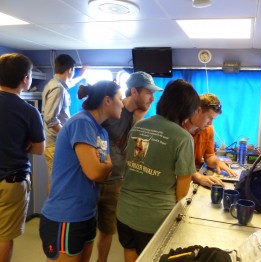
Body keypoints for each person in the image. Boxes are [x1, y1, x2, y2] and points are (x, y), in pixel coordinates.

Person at [39, 80, 123, 262]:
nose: (122, 104)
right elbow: (95, 172)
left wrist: (104, 168)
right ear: (107, 100)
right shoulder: (82, 123)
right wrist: (106, 166)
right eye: (120, 98)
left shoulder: (101, 132)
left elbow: (102, 171)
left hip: (86, 213)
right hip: (66, 216)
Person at [116, 79, 200, 262]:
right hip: (154, 220)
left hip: (125, 212)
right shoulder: (183, 138)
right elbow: (182, 193)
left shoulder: (140, 126)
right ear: (187, 110)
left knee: (131, 251)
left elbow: (136, 163)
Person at [97, 71, 163, 262]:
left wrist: (139, 119)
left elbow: (136, 152)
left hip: (116, 180)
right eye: (148, 93)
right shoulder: (111, 110)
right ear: (134, 92)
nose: (152, 98)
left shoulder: (139, 116)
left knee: (107, 230)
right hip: (93, 178)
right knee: (84, 230)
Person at [0, 53, 45, 262]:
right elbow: (38, 149)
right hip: (11, 181)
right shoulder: (28, 111)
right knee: (4, 236)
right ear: (25, 79)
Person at [184, 93, 237, 188]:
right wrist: (199, 177)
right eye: (209, 118)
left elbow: (209, 156)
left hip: (194, 173)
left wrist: (217, 162)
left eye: (213, 119)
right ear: (198, 110)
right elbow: (178, 167)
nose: (210, 123)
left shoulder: (208, 129)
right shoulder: (180, 130)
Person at [41, 54, 76, 193]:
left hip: (54, 143)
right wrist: (66, 136)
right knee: (60, 184)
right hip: (56, 144)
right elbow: (50, 118)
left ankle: (51, 213)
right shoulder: (58, 89)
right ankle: (53, 214)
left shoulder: (54, 84)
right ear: (70, 70)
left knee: (55, 180)